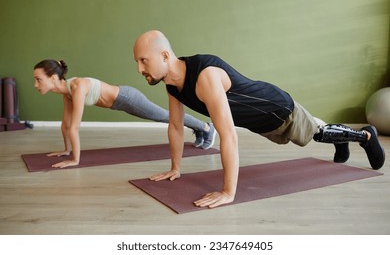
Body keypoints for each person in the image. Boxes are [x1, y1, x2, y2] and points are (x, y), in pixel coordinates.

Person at [132, 30, 386, 209]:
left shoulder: (205, 76)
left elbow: (228, 134)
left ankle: (365, 135)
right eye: (137, 62)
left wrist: (228, 192)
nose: (140, 69)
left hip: (276, 108)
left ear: (165, 56)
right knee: (317, 128)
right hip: (259, 120)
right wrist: (175, 168)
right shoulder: (172, 85)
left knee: (316, 133)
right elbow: (176, 126)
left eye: (144, 61)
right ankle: (340, 141)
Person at [33, 59, 216, 168]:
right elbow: (65, 124)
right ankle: (201, 128)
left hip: (127, 98)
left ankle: (206, 127)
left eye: (38, 80)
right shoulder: (68, 93)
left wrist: (74, 159)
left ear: (54, 78)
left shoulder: (77, 86)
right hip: (121, 103)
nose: (36, 84)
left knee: (165, 116)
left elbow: (74, 127)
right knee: (165, 116)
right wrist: (66, 150)